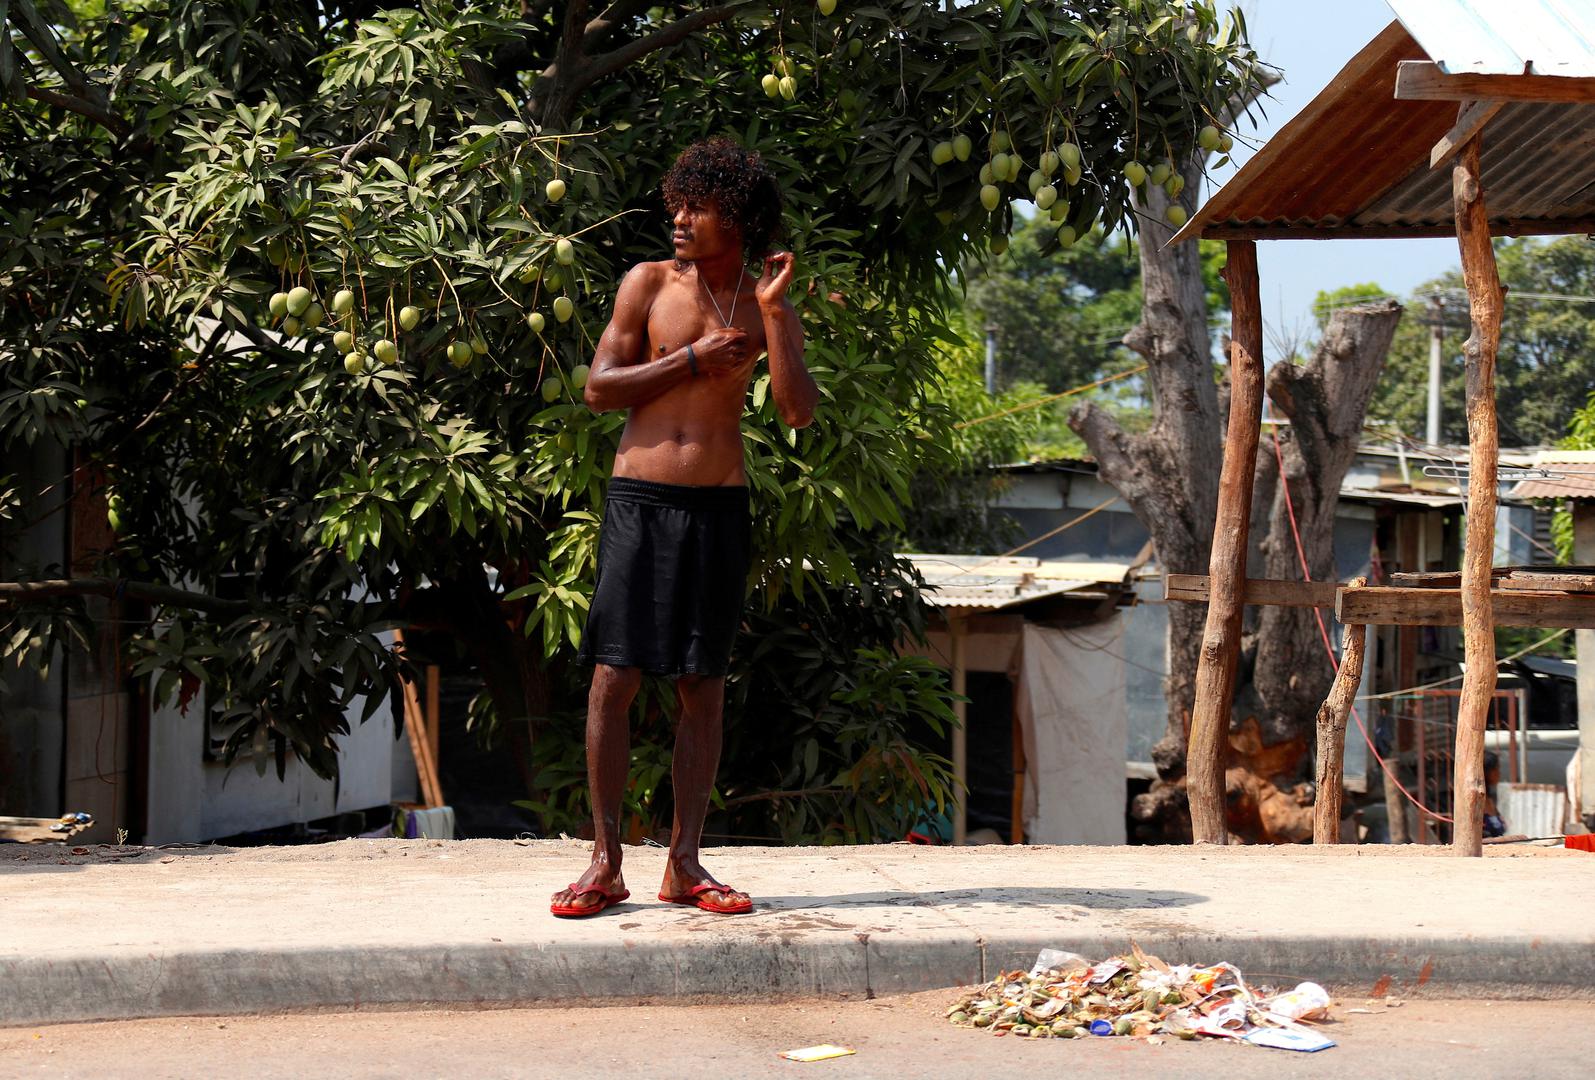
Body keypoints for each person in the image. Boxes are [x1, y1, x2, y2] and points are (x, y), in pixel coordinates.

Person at [548, 138, 818, 918]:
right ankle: (604, 863)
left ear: (736, 218)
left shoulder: (765, 304)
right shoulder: (648, 283)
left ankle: (684, 864)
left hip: (716, 509)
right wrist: (691, 360)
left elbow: (797, 411)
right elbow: (600, 389)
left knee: (702, 685)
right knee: (615, 677)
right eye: (678, 204)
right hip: (639, 502)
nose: (679, 218)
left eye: (697, 208)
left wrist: (774, 317)